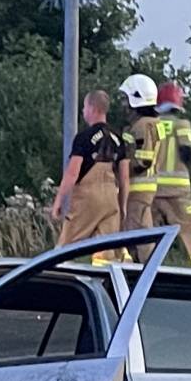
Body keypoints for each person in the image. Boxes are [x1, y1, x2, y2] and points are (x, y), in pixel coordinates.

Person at [121, 73, 191, 267]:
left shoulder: (149, 125)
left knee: (142, 231)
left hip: (149, 188)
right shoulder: (181, 125)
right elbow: (188, 153)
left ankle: (140, 266)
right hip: (177, 191)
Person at [50, 88, 128, 259]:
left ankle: (56, 271)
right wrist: (122, 206)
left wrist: (59, 200)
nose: (83, 111)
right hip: (110, 198)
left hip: (88, 198)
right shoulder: (118, 138)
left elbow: (72, 173)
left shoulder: (84, 137)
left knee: (64, 248)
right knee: (106, 251)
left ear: (93, 108)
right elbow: (124, 178)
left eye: (85, 107)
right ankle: (106, 275)